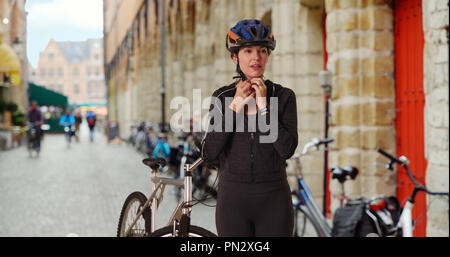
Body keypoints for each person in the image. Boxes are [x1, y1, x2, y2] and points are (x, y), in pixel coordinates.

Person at [202, 19, 298, 237]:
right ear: (235, 57)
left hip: (274, 200)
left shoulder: (284, 96)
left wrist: (264, 107)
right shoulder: (222, 97)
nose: (256, 57)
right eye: (248, 51)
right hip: (232, 200)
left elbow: (287, 149)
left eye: (262, 50)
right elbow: (210, 151)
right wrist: (235, 106)